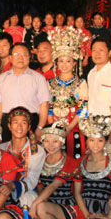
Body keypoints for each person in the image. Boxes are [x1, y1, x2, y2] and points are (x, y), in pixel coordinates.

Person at [28, 120, 81, 219]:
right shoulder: (42, 159)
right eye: (47, 141)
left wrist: (35, 204)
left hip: (67, 206)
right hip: (48, 206)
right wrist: (42, 201)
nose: (50, 145)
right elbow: (40, 186)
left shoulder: (70, 161)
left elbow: (53, 186)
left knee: (41, 207)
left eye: (55, 141)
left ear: (62, 142)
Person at [47, 26, 89, 160]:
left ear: (74, 63)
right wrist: (52, 124)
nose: (64, 65)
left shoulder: (81, 83)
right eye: (61, 61)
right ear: (56, 63)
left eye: (68, 61)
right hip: (53, 129)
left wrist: (70, 127)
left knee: (73, 161)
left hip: (74, 128)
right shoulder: (50, 83)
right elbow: (48, 106)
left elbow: (83, 108)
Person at [0, 43, 50, 142]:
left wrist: (40, 128)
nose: (20, 58)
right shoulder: (2, 78)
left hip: (31, 122)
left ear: (29, 57)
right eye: (16, 54)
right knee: (7, 150)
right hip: (7, 123)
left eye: (24, 54)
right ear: (11, 57)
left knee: (31, 150)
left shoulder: (38, 78)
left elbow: (44, 104)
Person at [0, 108, 46, 207]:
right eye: (15, 122)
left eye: (24, 123)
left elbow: (33, 178)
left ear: (29, 127)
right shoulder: (1, 148)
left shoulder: (37, 150)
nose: (19, 126)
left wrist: (13, 185)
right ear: (9, 126)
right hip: (2, 192)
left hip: (27, 194)